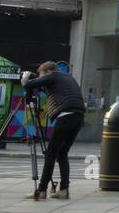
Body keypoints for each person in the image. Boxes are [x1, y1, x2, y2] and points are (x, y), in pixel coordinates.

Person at [21, 61, 85, 201]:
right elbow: (52, 91)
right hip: (78, 117)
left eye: (41, 75)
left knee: (50, 154)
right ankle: (63, 190)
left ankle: (42, 191)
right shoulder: (67, 77)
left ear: (47, 72)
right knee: (62, 154)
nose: (40, 79)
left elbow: (28, 84)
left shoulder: (53, 76)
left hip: (66, 116)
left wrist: (26, 78)